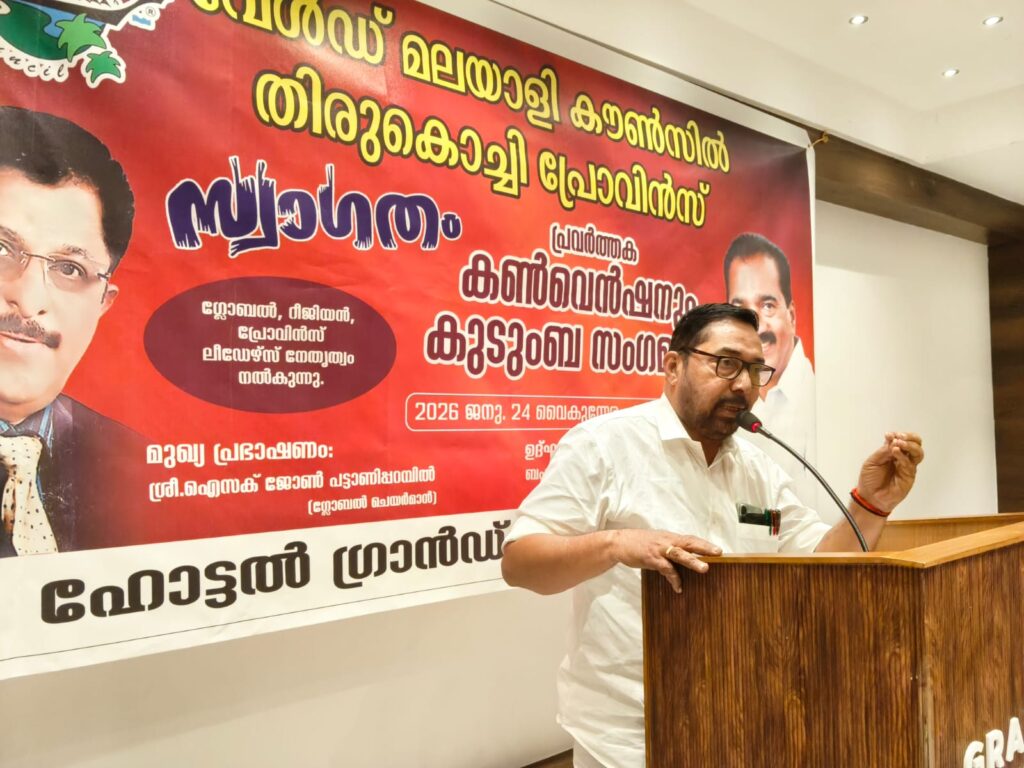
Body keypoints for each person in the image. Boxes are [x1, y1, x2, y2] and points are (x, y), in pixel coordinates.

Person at [501, 303, 924, 768]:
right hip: (629, 738)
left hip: (741, 723)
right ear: (673, 366)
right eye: (725, 363)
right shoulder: (603, 445)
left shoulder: (758, 469)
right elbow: (521, 563)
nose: (743, 384)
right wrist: (617, 544)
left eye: (755, 370)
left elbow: (825, 563)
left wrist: (871, 504)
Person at [0, 106, 145, 556]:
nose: (28, 299)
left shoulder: (140, 467)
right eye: (1, 249)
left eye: (69, 268)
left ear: (103, 304)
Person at [724, 233, 818, 505]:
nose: (755, 325)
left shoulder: (823, 398)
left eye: (767, 305)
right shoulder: (721, 399)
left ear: (792, 316)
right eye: (739, 309)